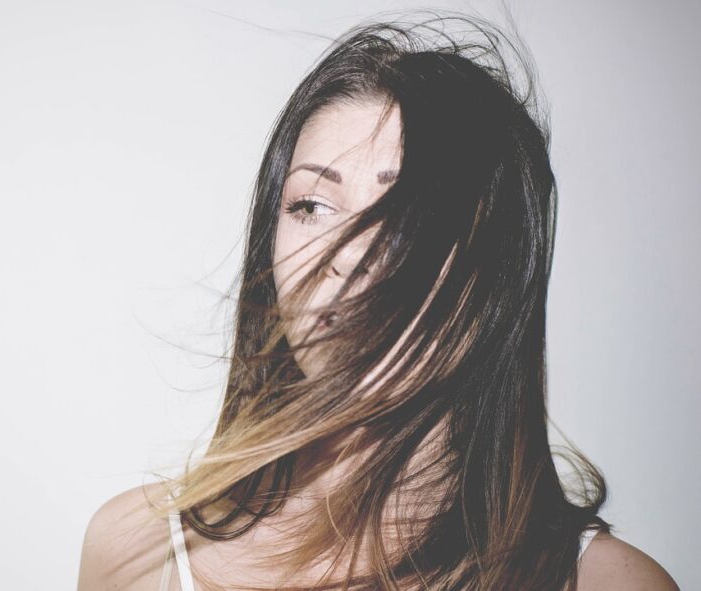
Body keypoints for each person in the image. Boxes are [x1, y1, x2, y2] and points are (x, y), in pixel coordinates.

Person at [78, 11, 679, 591]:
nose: (346, 254)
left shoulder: (608, 584)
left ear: (497, 269)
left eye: (409, 215)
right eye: (313, 206)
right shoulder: (134, 555)